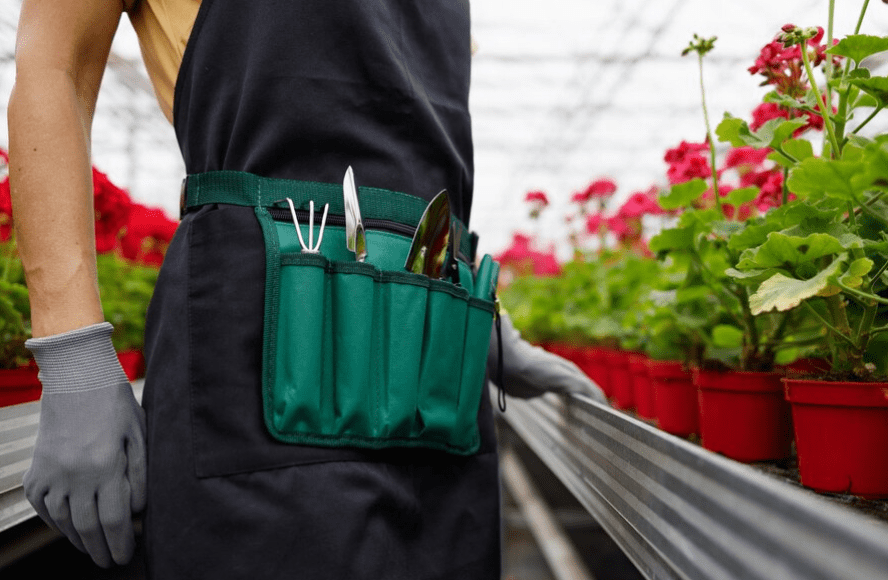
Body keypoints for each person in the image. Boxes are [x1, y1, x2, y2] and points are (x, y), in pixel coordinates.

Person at [8, 0, 606, 577]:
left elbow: (412, 155)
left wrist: (484, 320)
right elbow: (54, 67)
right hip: (261, 354)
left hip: (436, 369)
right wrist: (73, 359)